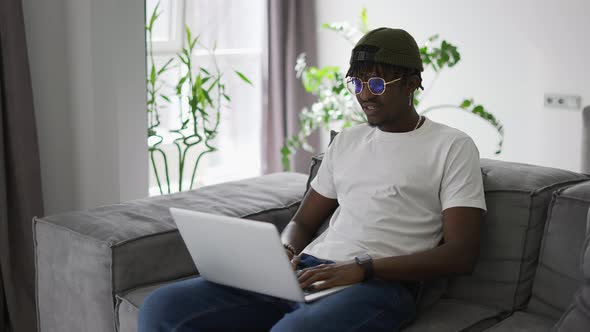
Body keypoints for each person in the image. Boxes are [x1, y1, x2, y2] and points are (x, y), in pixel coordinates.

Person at [138, 27, 487, 332]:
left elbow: (461, 254)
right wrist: (286, 250)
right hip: (306, 272)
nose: (364, 94)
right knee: (162, 306)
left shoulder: (451, 146)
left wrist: (362, 269)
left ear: (412, 83)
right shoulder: (347, 142)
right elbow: (303, 221)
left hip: (380, 285)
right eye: (357, 82)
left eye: (377, 83)